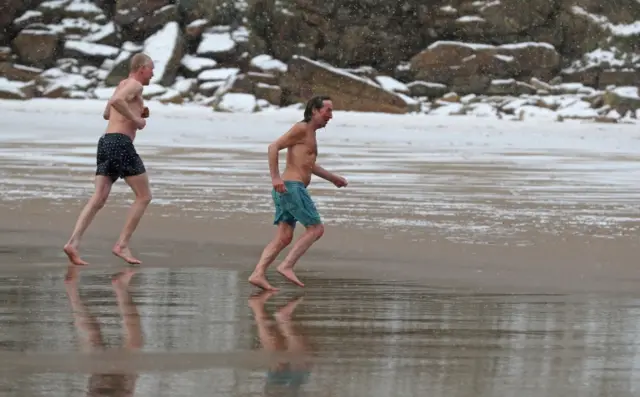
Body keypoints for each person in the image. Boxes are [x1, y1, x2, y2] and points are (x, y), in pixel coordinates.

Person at [63, 53, 154, 266]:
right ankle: (122, 244)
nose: (153, 74)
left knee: (99, 197)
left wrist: (136, 111)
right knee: (144, 196)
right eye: (151, 69)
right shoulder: (135, 85)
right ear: (141, 68)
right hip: (120, 143)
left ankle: (73, 243)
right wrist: (137, 120)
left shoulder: (122, 84)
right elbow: (116, 102)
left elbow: (107, 112)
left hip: (105, 142)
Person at [249, 95, 348, 291]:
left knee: (285, 236)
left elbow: (308, 165)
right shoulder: (301, 129)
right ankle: (286, 265)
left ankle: (258, 273)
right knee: (316, 229)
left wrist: (332, 178)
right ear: (314, 111)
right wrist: (275, 177)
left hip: (286, 188)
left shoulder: (309, 133)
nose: (331, 116)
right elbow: (273, 147)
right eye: (327, 110)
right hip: (290, 187)